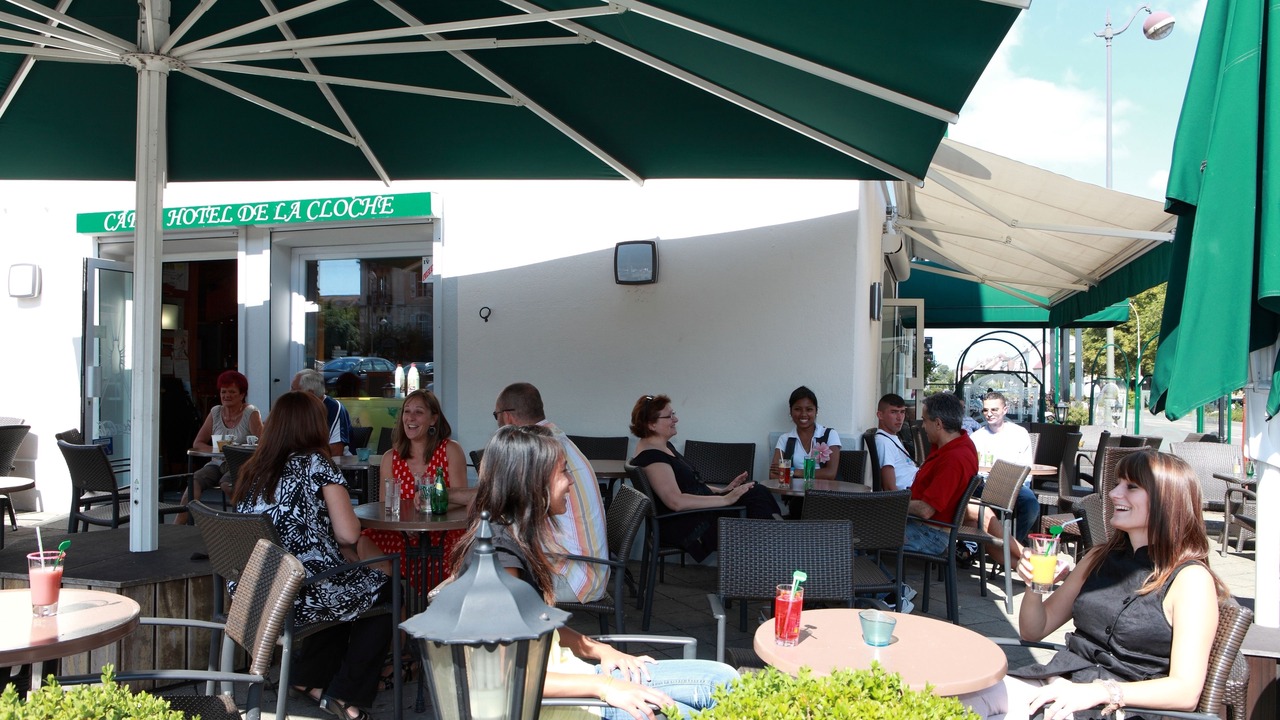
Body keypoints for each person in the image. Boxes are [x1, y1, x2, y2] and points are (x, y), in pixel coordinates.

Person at [449, 425, 739, 720]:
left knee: (724, 679)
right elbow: (506, 676)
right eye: (563, 472)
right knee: (688, 713)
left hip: (579, 680)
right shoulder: (499, 561)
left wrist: (600, 650)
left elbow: (538, 628)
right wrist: (605, 686)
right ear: (533, 482)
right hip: (562, 706)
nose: (570, 482)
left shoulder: (519, 537)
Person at [961, 451, 1229, 720]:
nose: (1113, 494)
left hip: (1119, 708)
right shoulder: (1098, 557)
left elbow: (1185, 691)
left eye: (1131, 487)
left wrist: (1102, 692)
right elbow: (1034, 630)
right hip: (1060, 685)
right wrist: (1035, 586)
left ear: (1167, 501)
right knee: (961, 701)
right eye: (1117, 484)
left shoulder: (1190, 580)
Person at [232, 391, 391, 720]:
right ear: (314, 426)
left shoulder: (253, 469)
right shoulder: (317, 463)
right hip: (297, 593)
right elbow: (348, 533)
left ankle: (308, 678)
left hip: (256, 593)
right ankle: (346, 695)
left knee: (343, 581)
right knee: (385, 587)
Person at [494, 382, 608, 603]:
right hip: (588, 568)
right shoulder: (555, 440)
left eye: (495, 416)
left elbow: (502, 501)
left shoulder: (539, 451)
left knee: (488, 591)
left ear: (507, 417)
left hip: (575, 576)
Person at [629, 394, 779, 562]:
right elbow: (675, 501)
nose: (676, 419)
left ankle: (768, 558)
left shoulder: (662, 447)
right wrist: (725, 500)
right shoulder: (652, 458)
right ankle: (774, 557)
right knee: (757, 496)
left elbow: (687, 485)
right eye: (670, 416)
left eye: (674, 413)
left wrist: (723, 490)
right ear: (651, 424)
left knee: (754, 490)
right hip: (686, 525)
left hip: (696, 514)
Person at [364, 389, 472, 583]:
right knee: (364, 540)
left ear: (433, 419)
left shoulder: (450, 450)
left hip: (442, 534)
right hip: (401, 535)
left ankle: (421, 603)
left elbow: (461, 501)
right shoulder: (391, 457)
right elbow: (384, 507)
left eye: (419, 412)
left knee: (451, 558)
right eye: (406, 411)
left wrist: (430, 513)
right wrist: (404, 526)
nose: (410, 418)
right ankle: (397, 597)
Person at [177, 370, 264, 524]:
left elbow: (263, 444)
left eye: (232, 392)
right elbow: (198, 443)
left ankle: (244, 521)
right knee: (195, 480)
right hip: (217, 463)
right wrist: (217, 450)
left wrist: (235, 451)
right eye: (224, 391)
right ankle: (180, 525)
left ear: (242, 394)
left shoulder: (251, 413)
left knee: (227, 484)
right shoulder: (216, 412)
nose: (226, 395)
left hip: (241, 464)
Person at [903, 392, 978, 555]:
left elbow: (925, 510)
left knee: (857, 537)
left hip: (928, 534)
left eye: (924, 420)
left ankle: (890, 581)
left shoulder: (954, 458)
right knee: (861, 531)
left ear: (938, 424)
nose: (922, 426)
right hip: (923, 527)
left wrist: (889, 505)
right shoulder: (955, 445)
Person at [968, 391, 1041, 551]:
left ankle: (1009, 547)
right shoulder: (976, 437)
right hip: (984, 486)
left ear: (1005, 409)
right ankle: (980, 545)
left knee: (1031, 505)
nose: (989, 414)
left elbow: (1025, 468)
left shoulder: (1018, 434)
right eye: (985, 410)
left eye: (994, 409)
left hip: (1013, 485)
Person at [770, 386, 842, 480]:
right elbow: (773, 475)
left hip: (824, 493)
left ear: (816, 411)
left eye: (809, 409)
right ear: (791, 412)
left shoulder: (829, 435)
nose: (803, 414)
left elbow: (830, 473)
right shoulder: (785, 439)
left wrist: (794, 471)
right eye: (797, 409)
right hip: (793, 493)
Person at [292, 368, 352, 457]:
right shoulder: (296, 409)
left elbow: (336, 450)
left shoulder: (333, 408)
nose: (290, 393)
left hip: (334, 466)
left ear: (310, 393)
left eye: (294, 390)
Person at [873, 393, 917, 491]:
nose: (899, 417)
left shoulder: (892, 436)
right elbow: (889, 488)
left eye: (902, 412)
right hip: (911, 495)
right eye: (894, 412)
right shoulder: (883, 442)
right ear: (880, 415)